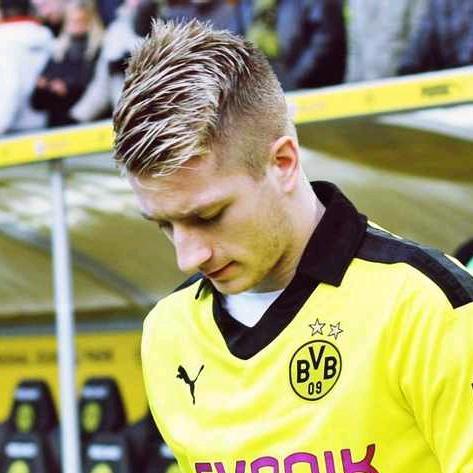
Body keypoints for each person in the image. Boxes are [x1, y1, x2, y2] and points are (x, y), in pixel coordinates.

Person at [113, 20, 473, 473]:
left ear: (282, 162)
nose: (188, 257)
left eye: (208, 216)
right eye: (165, 225)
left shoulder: (428, 307)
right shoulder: (168, 331)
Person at [31, 0, 104, 127]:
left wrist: (67, 87)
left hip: (87, 123)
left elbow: (97, 90)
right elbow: (37, 102)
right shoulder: (58, 52)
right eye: (72, 21)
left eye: (80, 21)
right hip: (57, 124)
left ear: (90, 21)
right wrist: (43, 88)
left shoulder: (98, 50)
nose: (76, 26)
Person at [0, 0, 53, 134]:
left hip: (10, 126)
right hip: (43, 121)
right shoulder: (45, 34)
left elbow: (11, 86)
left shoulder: (4, 38)